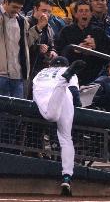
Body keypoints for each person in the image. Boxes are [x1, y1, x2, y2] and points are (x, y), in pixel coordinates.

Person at [33, 56, 86, 195]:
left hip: (44, 92)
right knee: (66, 138)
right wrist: (78, 107)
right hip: (65, 93)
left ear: (51, 65)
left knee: (51, 116)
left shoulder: (42, 72)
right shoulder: (68, 70)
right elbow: (74, 92)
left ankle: (63, 82)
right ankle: (67, 177)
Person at [57, 0, 110, 85]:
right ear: (75, 14)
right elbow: (60, 53)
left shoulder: (99, 32)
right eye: (81, 11)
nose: (84, 13)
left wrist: (95, 48)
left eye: (87, 11)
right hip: (70, 76)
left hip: (94, 77)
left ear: (91, 14)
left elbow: (109, 56)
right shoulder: (66, 31)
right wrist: (76, 50)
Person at [0, 0, 47, 98]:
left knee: (17, 112)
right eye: (14, 7)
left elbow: (26, 43)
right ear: (6, 2)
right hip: (1, 75)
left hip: (17, 75)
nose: (17, 10)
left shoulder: (22, 20)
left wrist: (38, 27)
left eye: (20, 8)